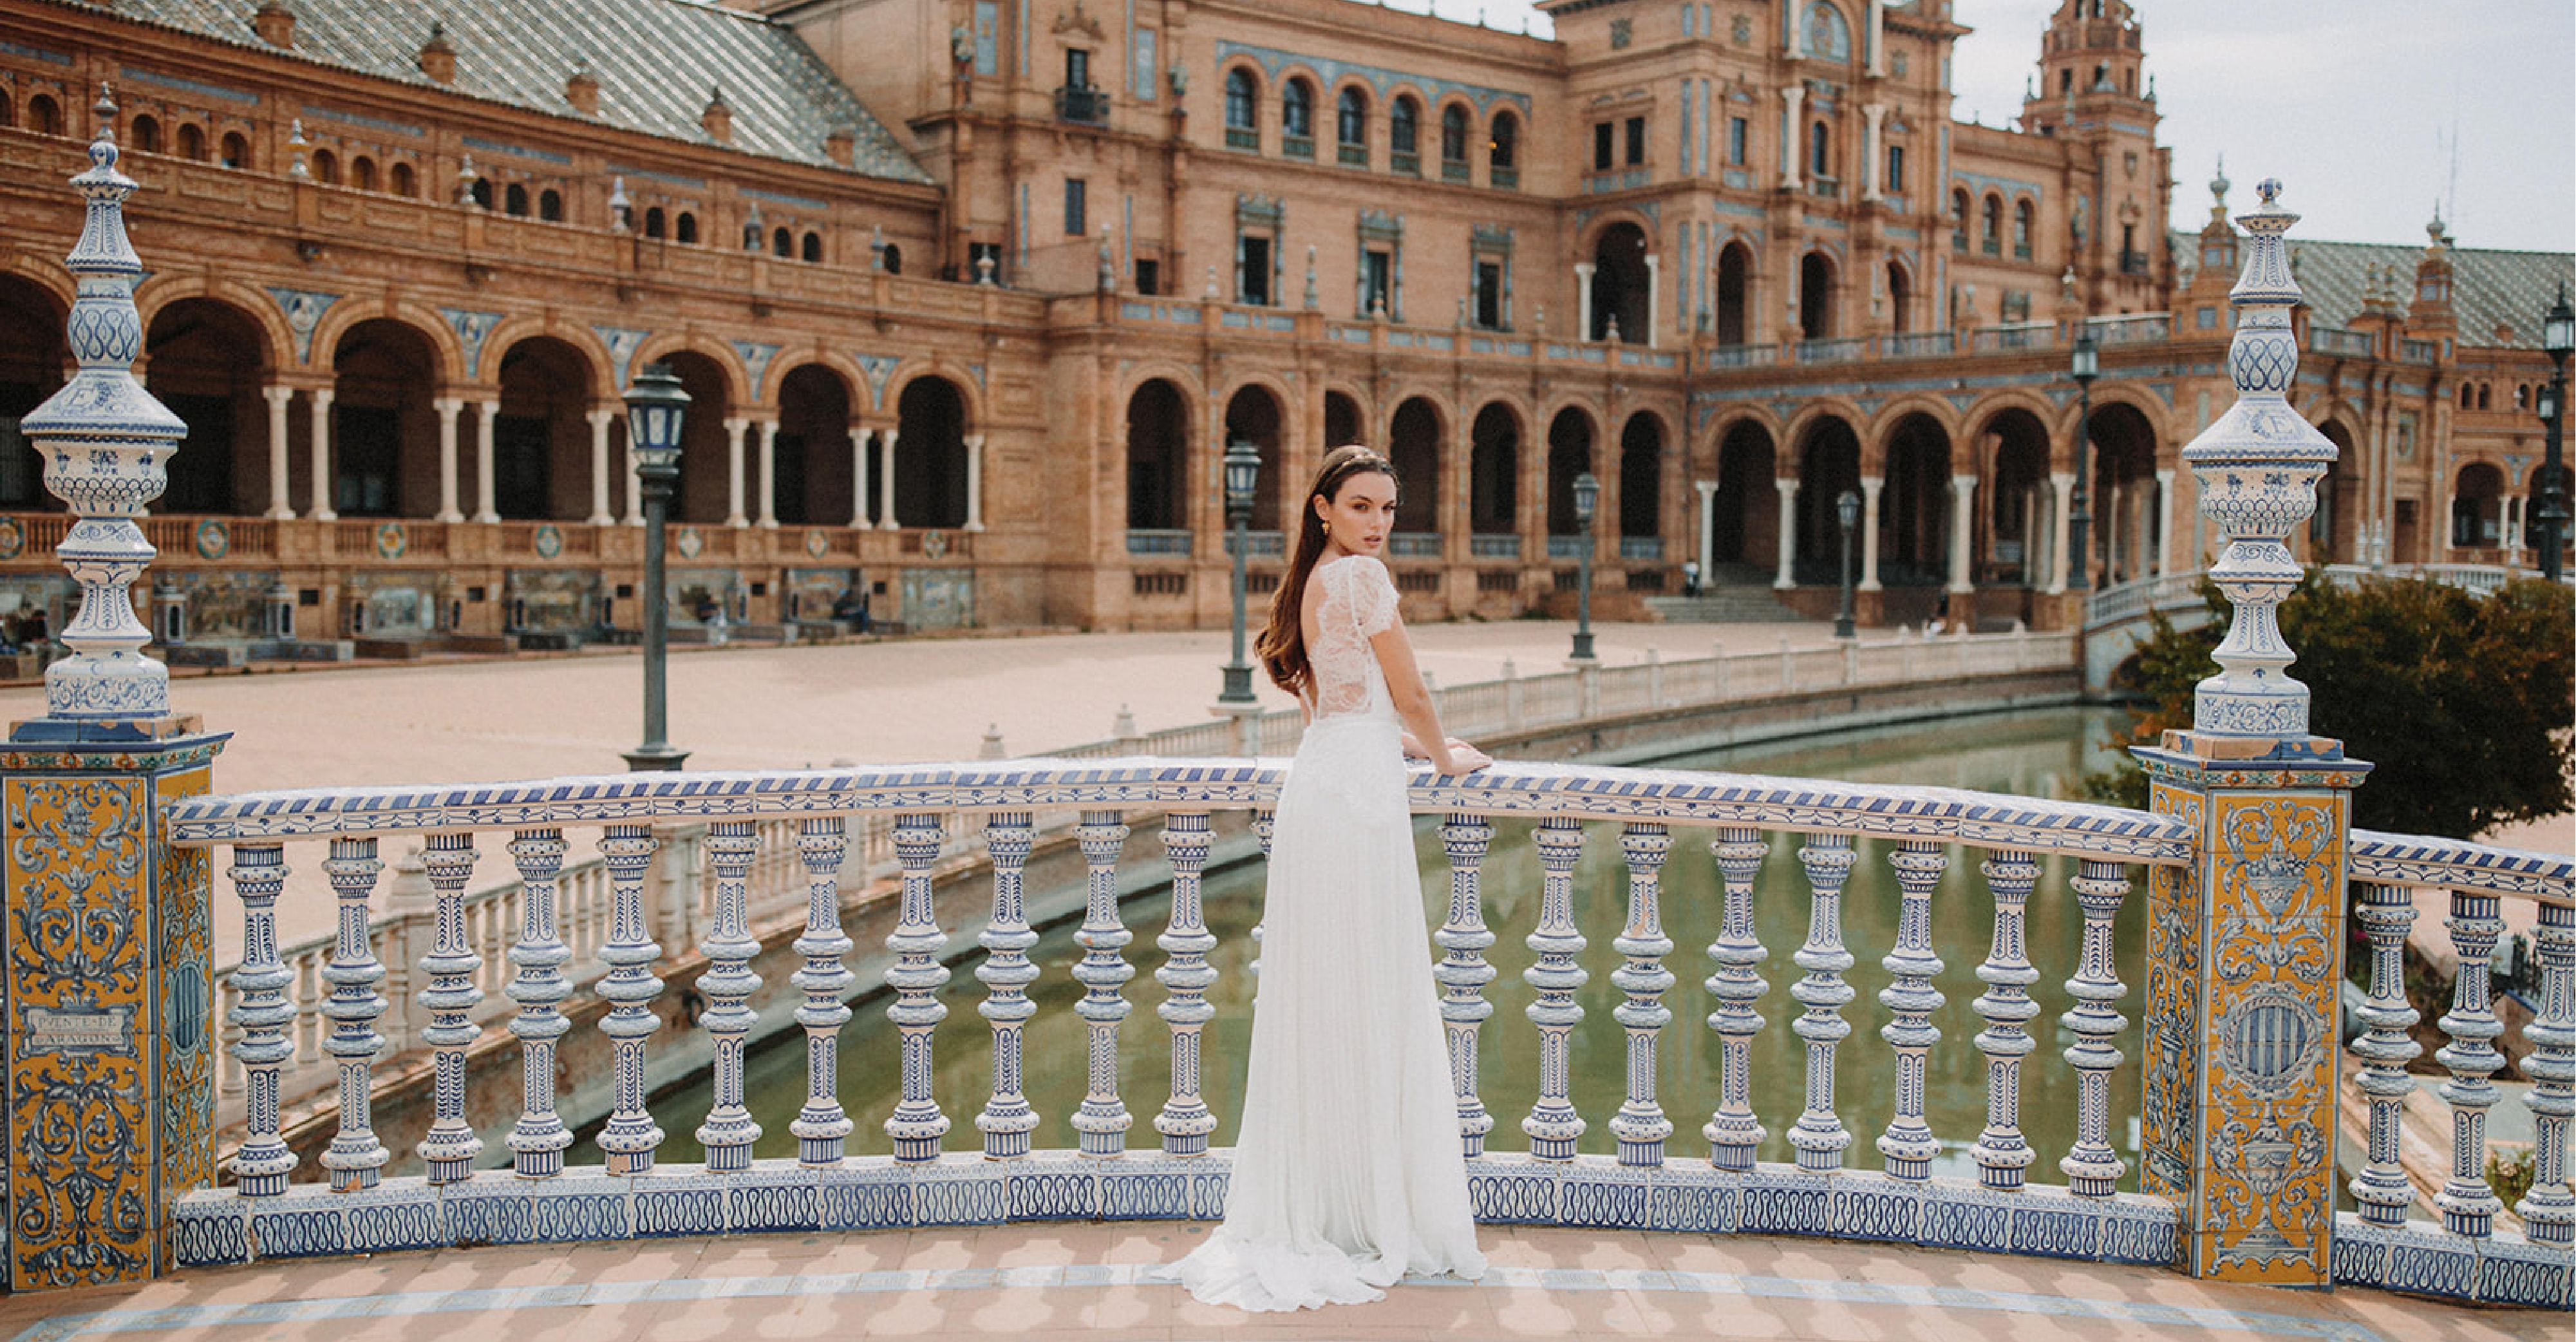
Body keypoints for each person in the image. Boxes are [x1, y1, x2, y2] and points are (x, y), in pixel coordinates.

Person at [1169, 444, 1490, 1312]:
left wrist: (1407, 743)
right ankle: (1370, 1205)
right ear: (1323, 508)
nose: (1378, 524)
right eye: (1361, 507)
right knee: (1371, 985)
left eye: (1388, 509)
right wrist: (1444, 757)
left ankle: (1327, 1201)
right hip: (1358, 801)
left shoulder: (1309, 584)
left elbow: (1340, 707)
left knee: (1325, 992)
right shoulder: (1360, 580)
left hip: (1324, 785)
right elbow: (1408, 691)